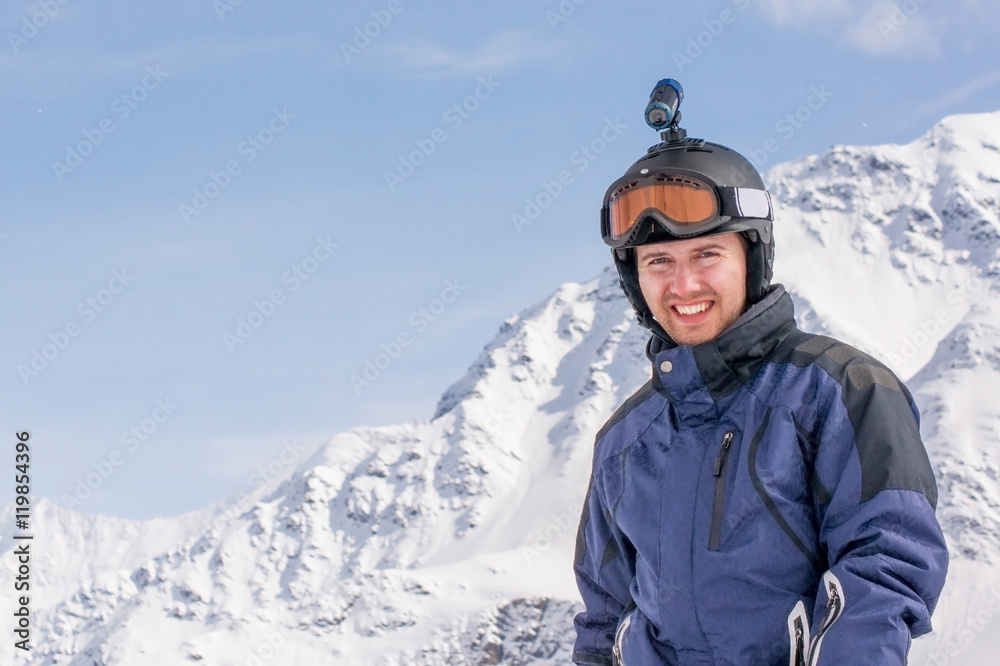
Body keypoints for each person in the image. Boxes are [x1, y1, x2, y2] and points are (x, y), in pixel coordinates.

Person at [572, 81, 949, 665]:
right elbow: (603, 623)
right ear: (635, 281)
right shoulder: (625, 440)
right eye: (658, 264)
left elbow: (886, 567)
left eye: (707, 255)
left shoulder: (840, 390)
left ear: (752, 257)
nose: (683, 285)